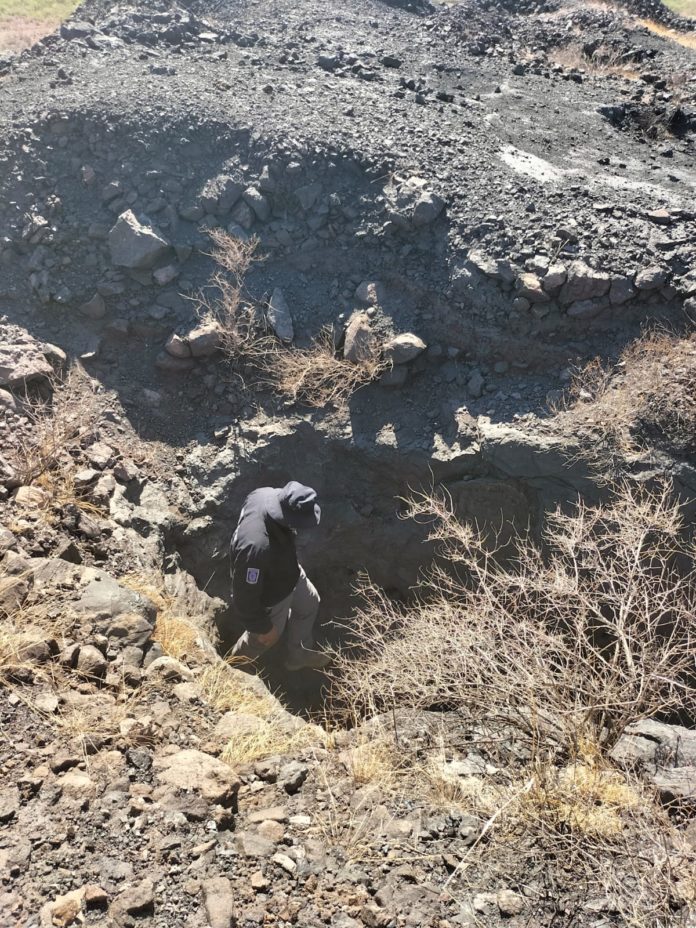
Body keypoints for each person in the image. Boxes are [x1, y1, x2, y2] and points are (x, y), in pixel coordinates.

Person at [229, 481, 331, 671]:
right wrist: (263, 627)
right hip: (270, 594)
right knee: (262, 640)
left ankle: (298, 655)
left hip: (288, 571)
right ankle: (231, 670)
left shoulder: (263, 493)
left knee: (309, 604)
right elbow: (244, 596)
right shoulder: (256, 547)